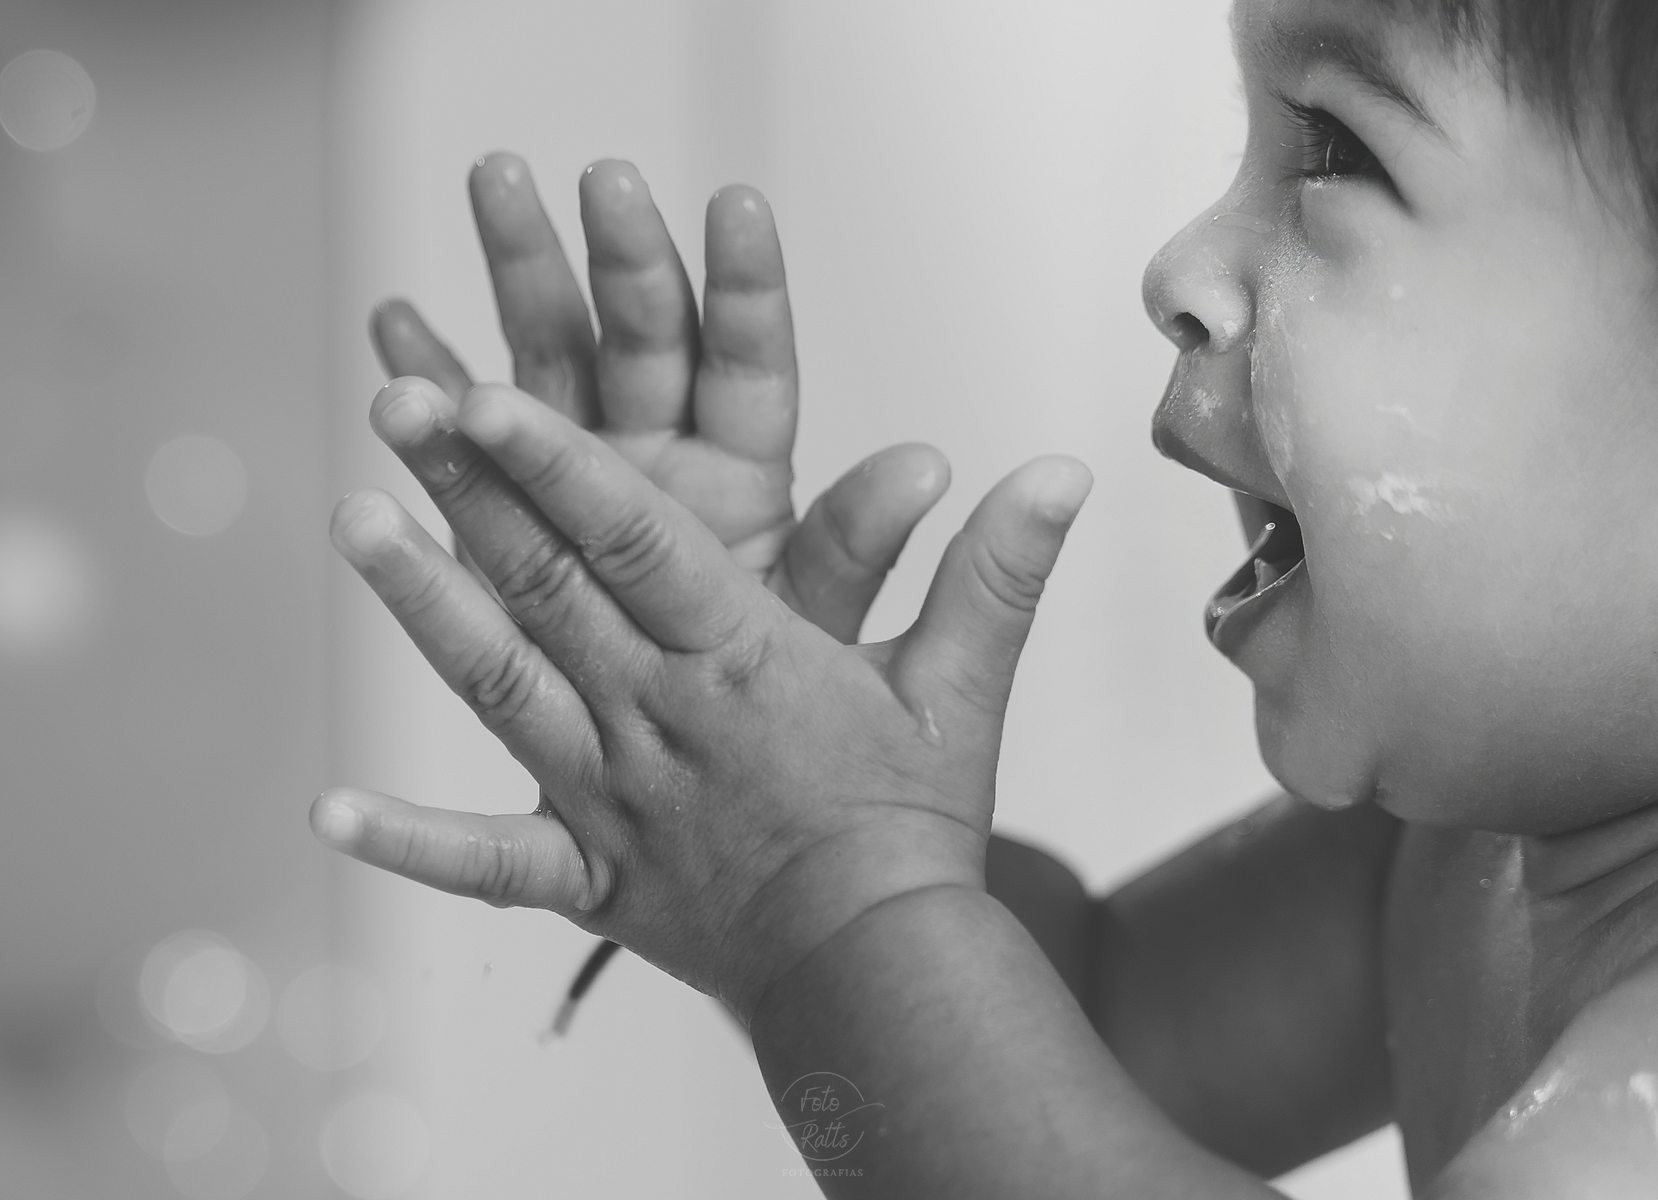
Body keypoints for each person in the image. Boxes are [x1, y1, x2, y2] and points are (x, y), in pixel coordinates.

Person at [309, 0, 1658, 1193]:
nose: (1176, 265)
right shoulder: (1468, 847)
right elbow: (1091, 1049)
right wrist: (789, 776)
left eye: (1337, 149)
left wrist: (822, 893)